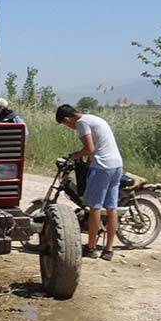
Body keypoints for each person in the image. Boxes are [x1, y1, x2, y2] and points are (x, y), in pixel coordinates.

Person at [55, 104, 124, 260]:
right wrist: (87, 159)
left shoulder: (81, 123)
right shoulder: (93, 118)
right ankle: (108, 250)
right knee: (112, 208)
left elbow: (90, 148)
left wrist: (75, 155)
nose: (69, 127)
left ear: (67, 120)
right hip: (117, 165)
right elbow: (99, 146)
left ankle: (91, 247)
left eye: (66, 125)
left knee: (95, 207)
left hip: (103, 167)